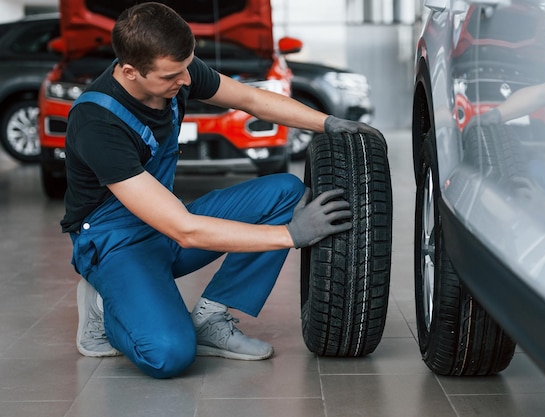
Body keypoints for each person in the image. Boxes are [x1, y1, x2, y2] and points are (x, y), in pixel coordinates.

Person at [61, 2, 384, 379]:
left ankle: (212, 317)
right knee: (168, 355)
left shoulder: (176, 70)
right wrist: (290, 235)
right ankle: (105, 307)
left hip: (164, 223)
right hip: (116, 244)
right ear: (130, 71)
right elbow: (184, 228)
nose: (185, 80)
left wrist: (326, 122)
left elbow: (249, 100)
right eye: (171, 76)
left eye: (186, 68)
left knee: (284, 193)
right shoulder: (97, 122)